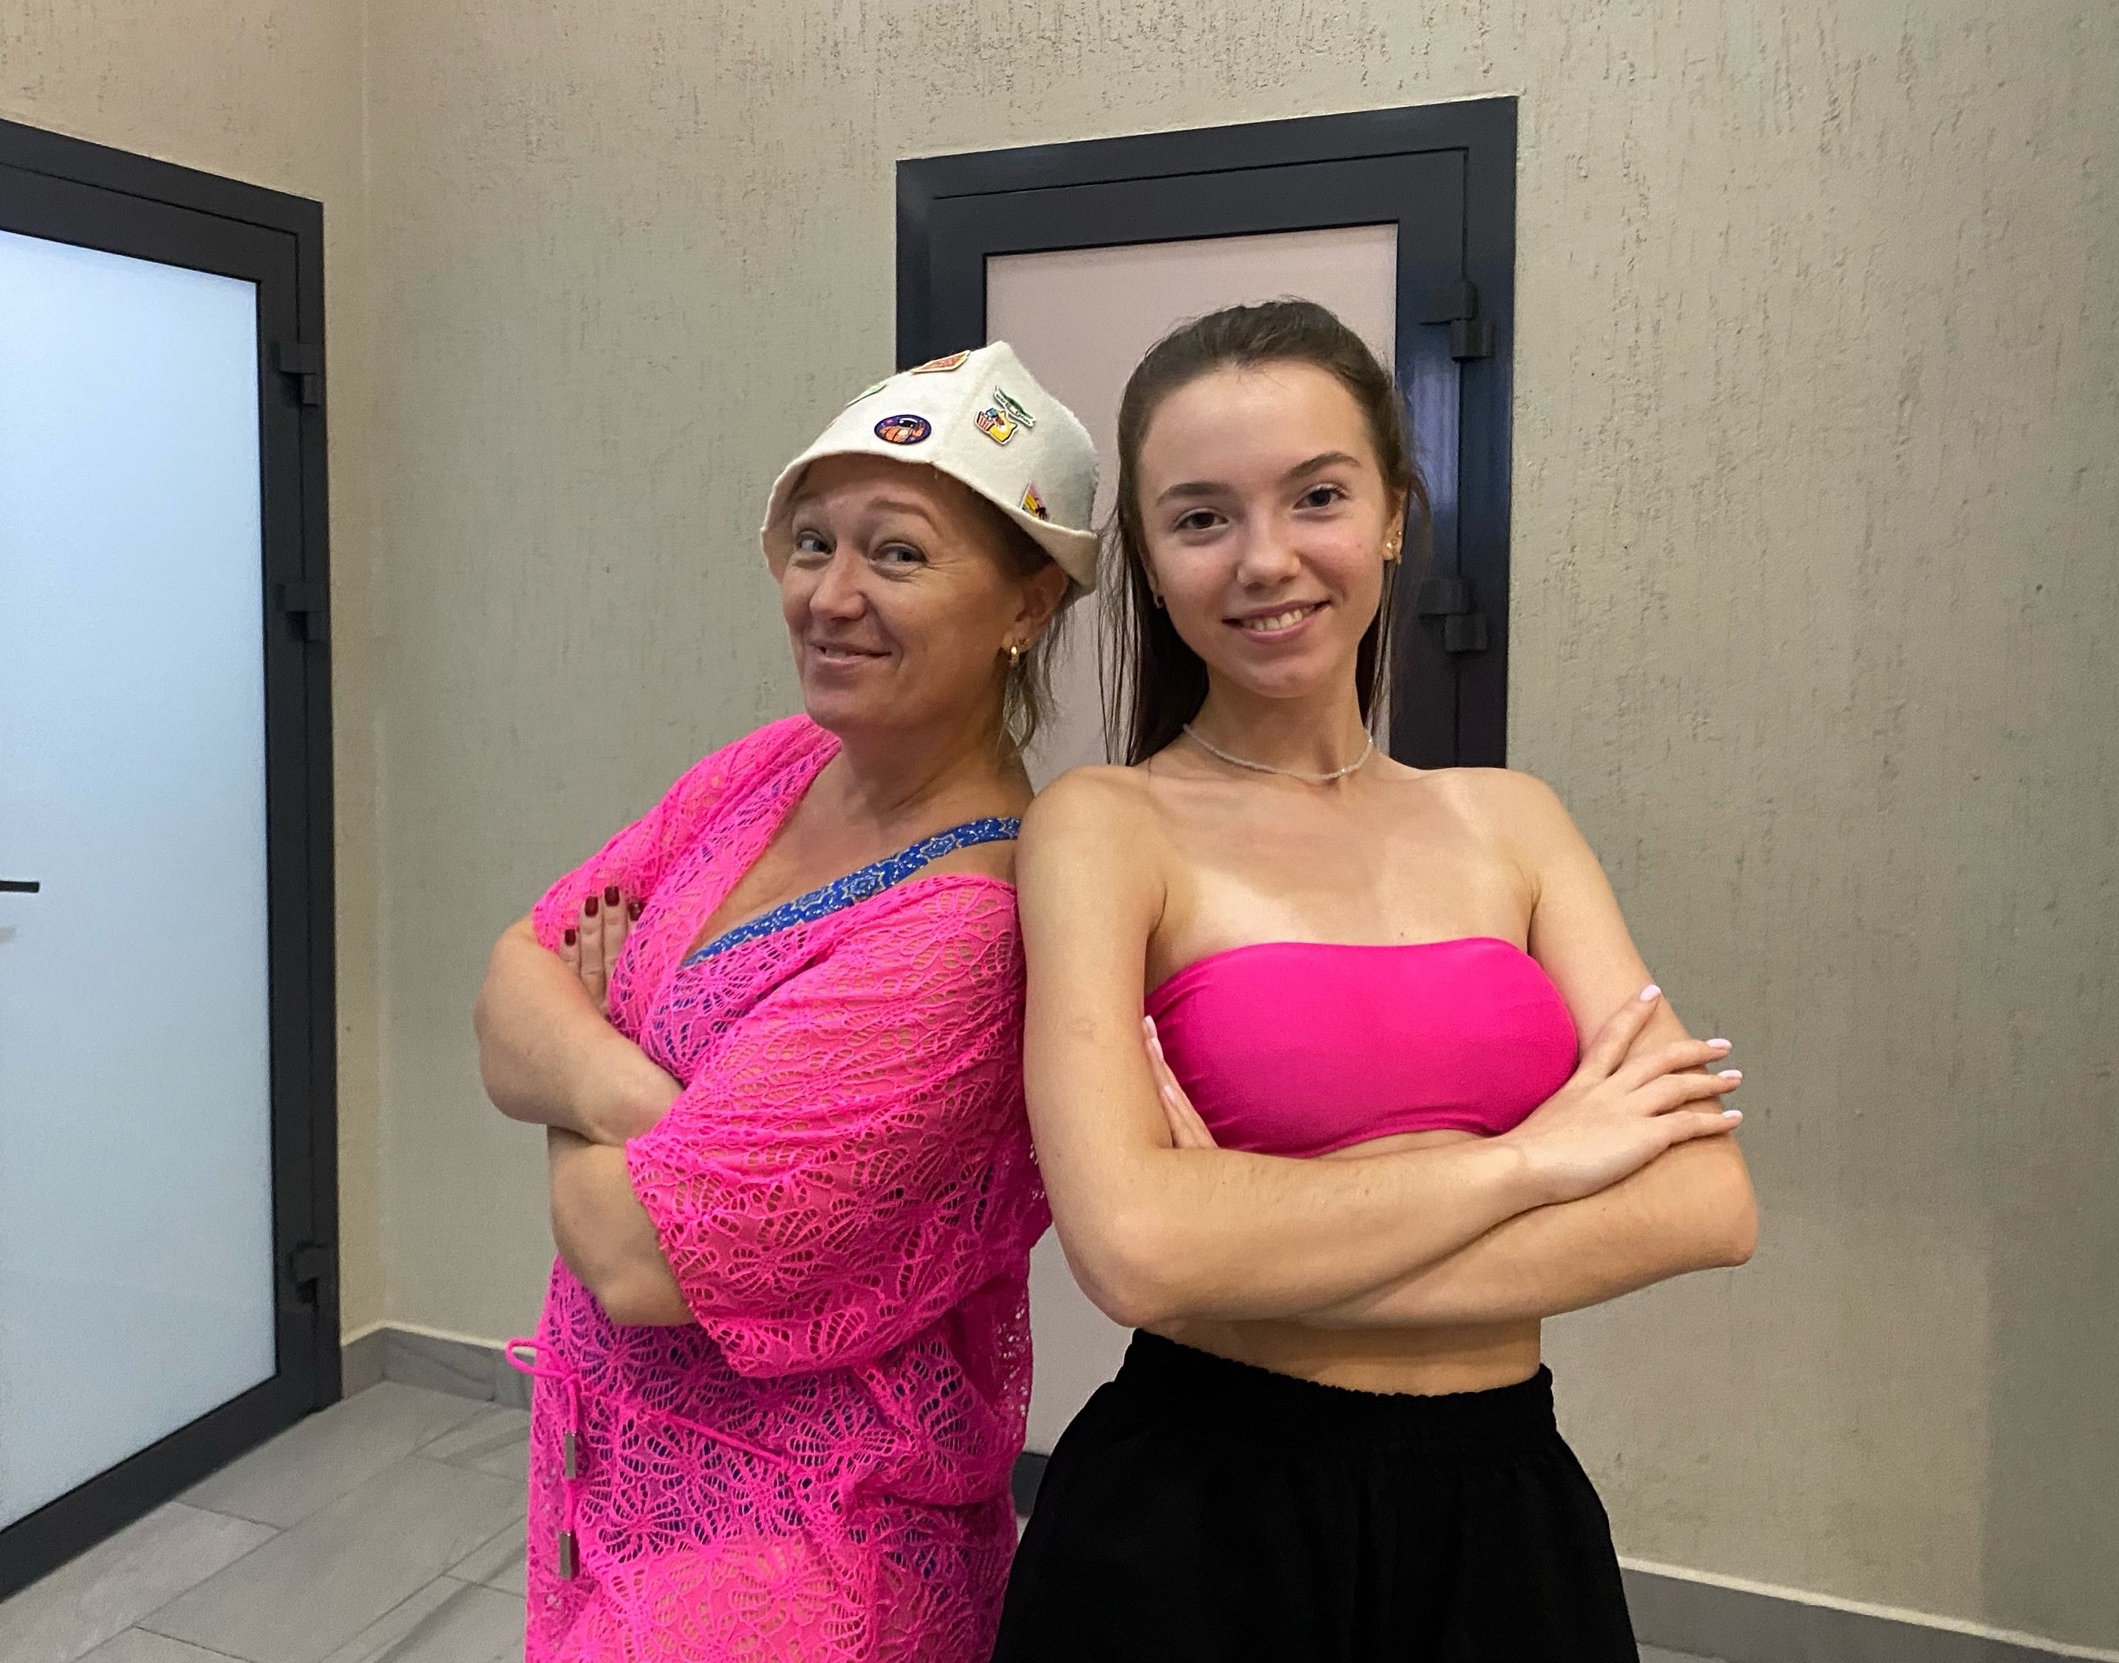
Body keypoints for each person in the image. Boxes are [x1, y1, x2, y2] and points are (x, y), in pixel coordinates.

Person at [995, 300, 1759, 1662]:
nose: (1266, 558)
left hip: (1504, 1518)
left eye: (1319, 496)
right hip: (1197, 1518)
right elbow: (1134, 1251)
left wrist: (1244, 1242)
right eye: (1202, 517)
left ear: (1396, 514)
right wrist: (1533, 1164)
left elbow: (1704, 1204)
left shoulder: (1515, 819)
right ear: (1151, 564)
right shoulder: (1103, 827)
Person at [474, 345, 1100, 1662]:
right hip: (615, 1488)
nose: (832, 594)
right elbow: (511, 983)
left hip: (801, 1563)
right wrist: (643, 1096)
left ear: (1029, 602)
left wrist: (590, 1045)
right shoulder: (774, 770)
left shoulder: (969, 936)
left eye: (898, 553)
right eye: (813, 543)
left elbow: (635, 1255)